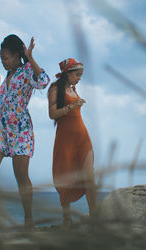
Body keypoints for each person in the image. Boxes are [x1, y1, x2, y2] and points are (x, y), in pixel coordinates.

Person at [0, 34, 50, 231]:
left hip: (20, 127)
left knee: (21, 176)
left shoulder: (27, 70)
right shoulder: (8, 76)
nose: (3, 62)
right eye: (1, 59)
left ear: (18, 55)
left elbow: (43, 81)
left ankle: (28, 221)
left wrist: (31, 58)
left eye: (6, 58)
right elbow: (7, 101)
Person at [48, 58, 97, 228]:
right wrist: (72, 105)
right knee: (66, 177)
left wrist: (75, 103)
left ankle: (94, 218)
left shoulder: (73, 89)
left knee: (89, 177)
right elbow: (52, 114)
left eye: (81, 75)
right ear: (67, 73)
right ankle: (66, 219)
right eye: (77, 74)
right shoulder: (55, 88)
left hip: (83, 138)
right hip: (65, 140)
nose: (79, 78)